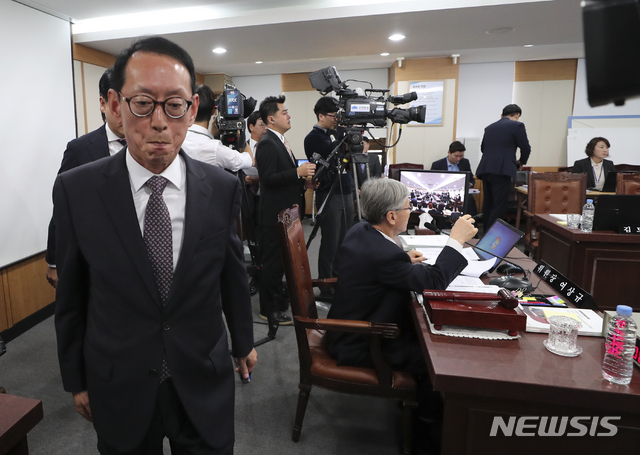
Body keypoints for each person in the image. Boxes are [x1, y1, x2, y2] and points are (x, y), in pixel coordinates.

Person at [53, 36, 257, 455]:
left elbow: (230, 273)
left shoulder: (220, 187)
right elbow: (71, 295)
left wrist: (243, 341)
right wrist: (75, 379)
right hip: (119, 380)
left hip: (202, 375)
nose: (160, 122)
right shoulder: (78, 190)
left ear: (193, 109)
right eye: (143, 103)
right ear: (115, 105)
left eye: (174, 105)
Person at [325, 178, 476, 452]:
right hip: (361, 342)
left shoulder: (361, 230)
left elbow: (375, 263)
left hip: (347, 329)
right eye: (408, 207)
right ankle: (425, 435)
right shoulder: (385, 256)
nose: (412, 211)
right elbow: (434, 281)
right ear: (392, 216)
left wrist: (404, 258)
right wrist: (455, 241)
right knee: (438, 361)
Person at [45, 67, 126, 289]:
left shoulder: (150, 147)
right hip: (95, 258)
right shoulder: (79, 149)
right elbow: (62, 207)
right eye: (116, 104)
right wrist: (54, 261)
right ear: (103, 103)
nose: (123, 113)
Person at [256, 95, 317, 325]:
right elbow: (268, 179)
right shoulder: (267, 143)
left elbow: (283, 178)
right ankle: (268, 310)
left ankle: (278, 301)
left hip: (285, 214)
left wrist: (303, 182)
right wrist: (297, 173)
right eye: (284, 112)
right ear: (271, 119)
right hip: (274, 215)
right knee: (272, 264)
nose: (288, 116)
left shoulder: (279, 141)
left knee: (282, 262)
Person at [304, 97, 354, 292]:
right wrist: (340, 135)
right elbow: (328, 160)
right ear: (321, 116)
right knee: (331, 242)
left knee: (345, 241)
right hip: (329, 192)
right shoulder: (313, 138)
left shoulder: (337, 133)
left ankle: (339, 279)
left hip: (346, 189)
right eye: (333, 116)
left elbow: (348, 158)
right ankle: (326, 284)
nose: (336, 120)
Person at [476, 104, 531, 231]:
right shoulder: (517, 125)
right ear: (517, 115)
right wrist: (521, 162)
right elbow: (526, 148)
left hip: (485, 169)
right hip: (502, 170)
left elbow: (483, 148)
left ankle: (485, 232)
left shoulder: (489, 128)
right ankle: (491, 237)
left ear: (502, 115)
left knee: (488, 203)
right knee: (499, 205)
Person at [182, 84, 253, 172]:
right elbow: (249, 160)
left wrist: (212, 134)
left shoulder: (178, 141)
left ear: (189, 108)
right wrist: (240, 131)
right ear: (213, 110)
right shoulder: (215, 149)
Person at [431, 140, 477, 215]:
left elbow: (471, 179)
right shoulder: (437, 165)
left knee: (470, 199)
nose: (458, 159)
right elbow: (434, 182)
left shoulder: (465, 163)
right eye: (456, 156)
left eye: (461, 156)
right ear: (449, 153)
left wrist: (469, 184)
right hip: (445, 192)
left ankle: (471, 220)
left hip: (461, 192)